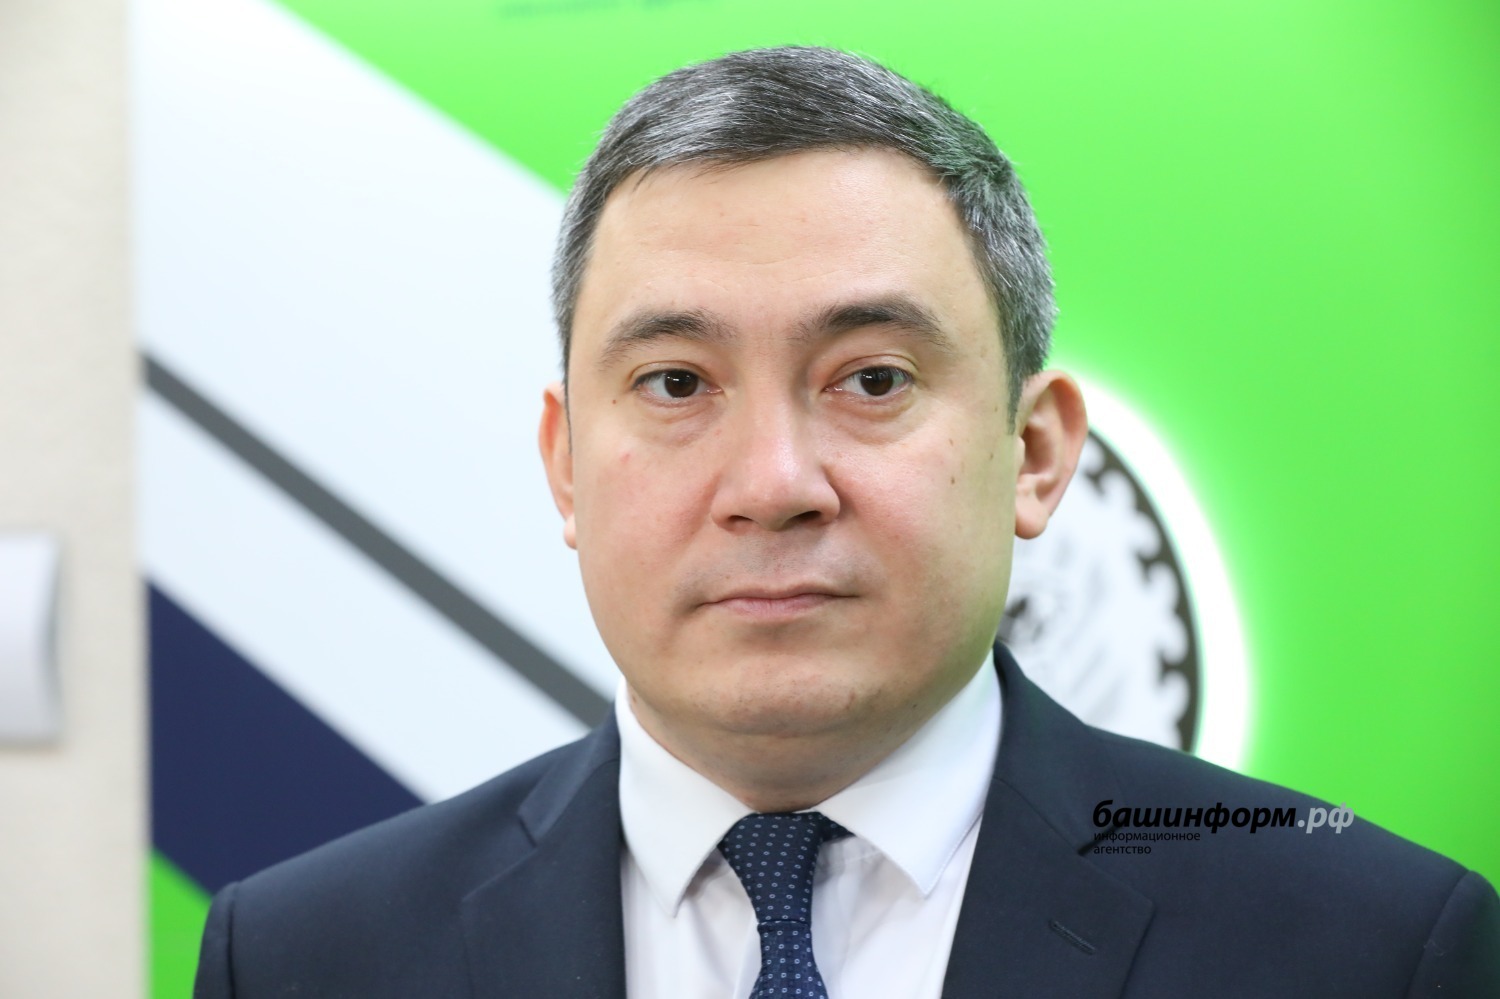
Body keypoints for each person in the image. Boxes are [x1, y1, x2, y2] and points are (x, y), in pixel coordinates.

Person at [193, 46, 1499, 998]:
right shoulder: (310, 958)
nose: (773, 482)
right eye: (676, 385)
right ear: (568, 467)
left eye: (871, 380)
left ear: (1036, 453)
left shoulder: (1372, 949)